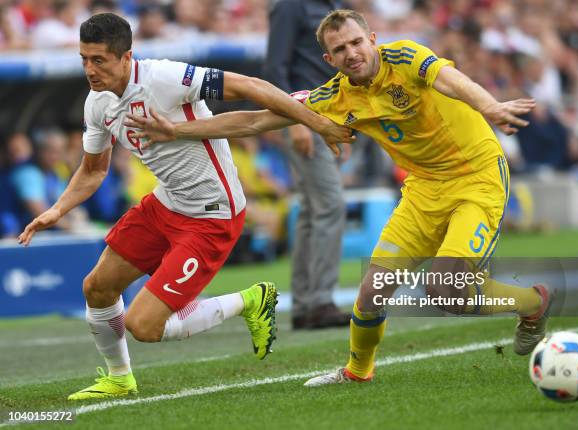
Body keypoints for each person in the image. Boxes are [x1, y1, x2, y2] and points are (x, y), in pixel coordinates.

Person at [127, 10, 552, 387]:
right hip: (423, 191)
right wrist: (177, 130)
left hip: (476, 179)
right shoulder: (335, 96)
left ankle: (532, 303)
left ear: (372, 40)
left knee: (446, 290)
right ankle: (356, 372)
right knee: (370, 296)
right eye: (339, 49)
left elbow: (450, 79)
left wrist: (490, 105)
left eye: (355, 42)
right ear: (328, 60)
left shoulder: (404, 57)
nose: (350, 53)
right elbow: (256, 120)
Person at [17, 12, 352, 400]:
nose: (89, 69)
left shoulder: (164, 78)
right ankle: (119, 378)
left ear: (126, 58)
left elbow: (249, 85)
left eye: (99, 60)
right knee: (97, 287)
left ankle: (249, 300)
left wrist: (313, 121)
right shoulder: (97, 104)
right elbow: (93, 170)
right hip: (167, 203)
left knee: (143, 326)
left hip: (213, 214)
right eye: (83, 59)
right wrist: (58, 210)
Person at [263, 0, 351, 330]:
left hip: (332, 117)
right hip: (305, 116)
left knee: (314, 211)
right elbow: (274, 67)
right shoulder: (291, 6)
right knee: (330, 205)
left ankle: (304, 305)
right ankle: (320, 302)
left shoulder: (338, 5)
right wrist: (295, 121)